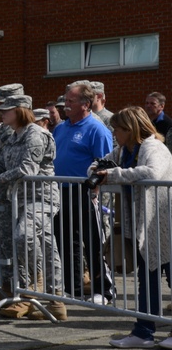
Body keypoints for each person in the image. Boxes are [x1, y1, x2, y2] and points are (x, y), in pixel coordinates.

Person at [91, 107, 172, 348]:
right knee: (147, 279)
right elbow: (98, 164)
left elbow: (153, 172)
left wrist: (112, 174)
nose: (113, 132)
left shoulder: (151, 146)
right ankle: (143, 332)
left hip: (164, 223)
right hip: (146, 226)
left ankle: (145, 330)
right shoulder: (124, 150)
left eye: (117, 128)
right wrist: (98, 171)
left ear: (130, 129)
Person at [0, 95, 65, 320]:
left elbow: (28, 168)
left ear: (21, 111)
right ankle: (53, 301)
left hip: (41, 198)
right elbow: (0, 162)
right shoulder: (13, 135)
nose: (1, 112)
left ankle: (34, 287)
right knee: (46, 246)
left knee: (24, 237)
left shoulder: (35, 134)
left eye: (7, 109)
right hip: (20, 199)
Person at [53, 81, 114, 304]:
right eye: (65, 100)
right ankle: (74, 288)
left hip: (88, 193)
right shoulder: (60, 128)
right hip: (62, 192)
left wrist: (96, 192)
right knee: (66, 241)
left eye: (70, 101)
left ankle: (104, 290)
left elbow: (105, 164)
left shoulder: (97, 129)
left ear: (86, 104)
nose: (65, 105)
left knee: (94, 242)